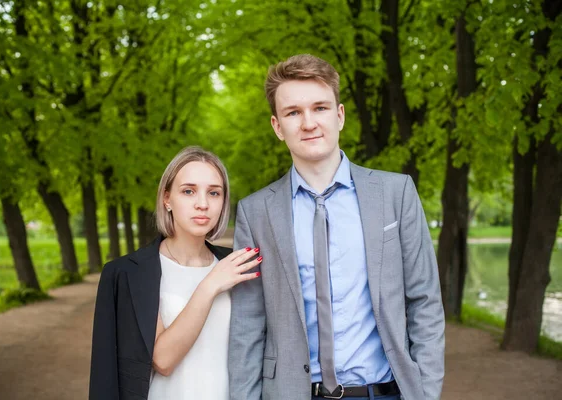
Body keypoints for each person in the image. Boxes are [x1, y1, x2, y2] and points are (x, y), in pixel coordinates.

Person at [229, 54, 445, 400]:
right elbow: (247, 325)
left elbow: (424, 301)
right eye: (293, 112)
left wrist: (426, 393)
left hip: (382, 393)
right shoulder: (255, 212)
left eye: (320, 108)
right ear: (277, 126)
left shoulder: (396, 193)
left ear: (340, 115)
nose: (309, 122)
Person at [89, 146, 261, 400]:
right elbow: (163, 360)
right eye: (188, 191)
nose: (202, 204)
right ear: (167, 199)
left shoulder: (237, 265)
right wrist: (208, 286)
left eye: (214, 193)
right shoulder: (127, 273)